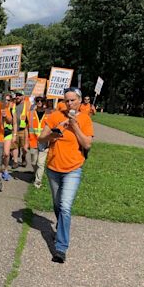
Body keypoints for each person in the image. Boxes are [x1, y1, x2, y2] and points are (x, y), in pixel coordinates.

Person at [37, 87, 93, 263]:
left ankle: (61, 248)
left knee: (65, 206)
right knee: (57, 205)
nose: (69, 104)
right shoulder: (55, 115)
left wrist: (74, 125)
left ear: (79, 100)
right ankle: (61, 227)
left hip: (73, 169)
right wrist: (54, 133)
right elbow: (41, 138)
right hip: (54, 167)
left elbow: (87, 144)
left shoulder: (84, 118)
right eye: (66, 100)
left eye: (72, 100)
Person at [28, 96, 49, 188]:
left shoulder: (49, 114)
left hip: (45, 142)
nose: (40, 102)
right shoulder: (31, 113)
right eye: (38, 100)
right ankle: (35, 173)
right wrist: (25, 142)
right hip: (33, 141)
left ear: (45, 102)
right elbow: (26, 128)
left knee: (40, 163)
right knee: (33, 162)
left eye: (42, 100)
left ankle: (38, 182)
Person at [10, 91, 30, 168]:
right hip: (14, 129)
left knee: (24, 148)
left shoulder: (27, 105)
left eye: (19, 95)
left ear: (23, 96)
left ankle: (23, 157)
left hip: (23, 130)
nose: (17, 97)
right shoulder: (13, 104)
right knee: (14, 146)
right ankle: (15, 162)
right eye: (17, 95)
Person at [0, 93, 16, 181]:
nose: (6, 101)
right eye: (5, 99)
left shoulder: (11, 109)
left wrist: (15, 135)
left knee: (6, 154)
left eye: (8, 100)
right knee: (0, 154)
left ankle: (6, 170)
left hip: (8, 132)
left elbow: (12, 122)